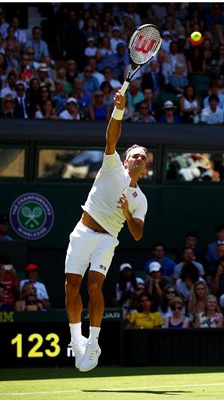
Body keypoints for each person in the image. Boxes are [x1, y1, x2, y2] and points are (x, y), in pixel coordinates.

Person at [65, 91, 149, 372]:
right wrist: (119, 111)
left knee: (93, 286)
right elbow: (111, 137)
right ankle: (77, 339)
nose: (138, 159)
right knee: (71, 286)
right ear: (125, 161)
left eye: (143, 159)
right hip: (82, 232)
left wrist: (126, 211)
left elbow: (137, 234)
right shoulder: (112, 164)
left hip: (107, 240)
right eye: (134, 156)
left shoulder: (141, 200)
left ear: (145, 168)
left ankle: (94, 342)